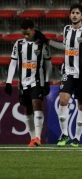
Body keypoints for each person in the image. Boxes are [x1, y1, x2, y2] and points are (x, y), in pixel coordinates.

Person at [56, 4, 82, 147]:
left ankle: (77, 138)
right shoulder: (66, 29)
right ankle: (64, 134)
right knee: (63, 100)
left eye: (77, 13)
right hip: (68, 72)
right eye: (72, 12)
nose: (74, 15)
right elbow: (67, 49)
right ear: (70, 15)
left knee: (81, 105)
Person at [4, 19, 51, 147]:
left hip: (37, 81)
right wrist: (8, 82)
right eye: (23, 33)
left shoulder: (42, 45)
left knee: (37, 104)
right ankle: (32, 138)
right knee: (28, 110)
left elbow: (48, 64)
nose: (25, 35)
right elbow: (13, 63)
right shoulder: (18, 44)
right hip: (23, 83)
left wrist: (46, 81)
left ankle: (38, 137)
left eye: (27, 33)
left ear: (33, 30)